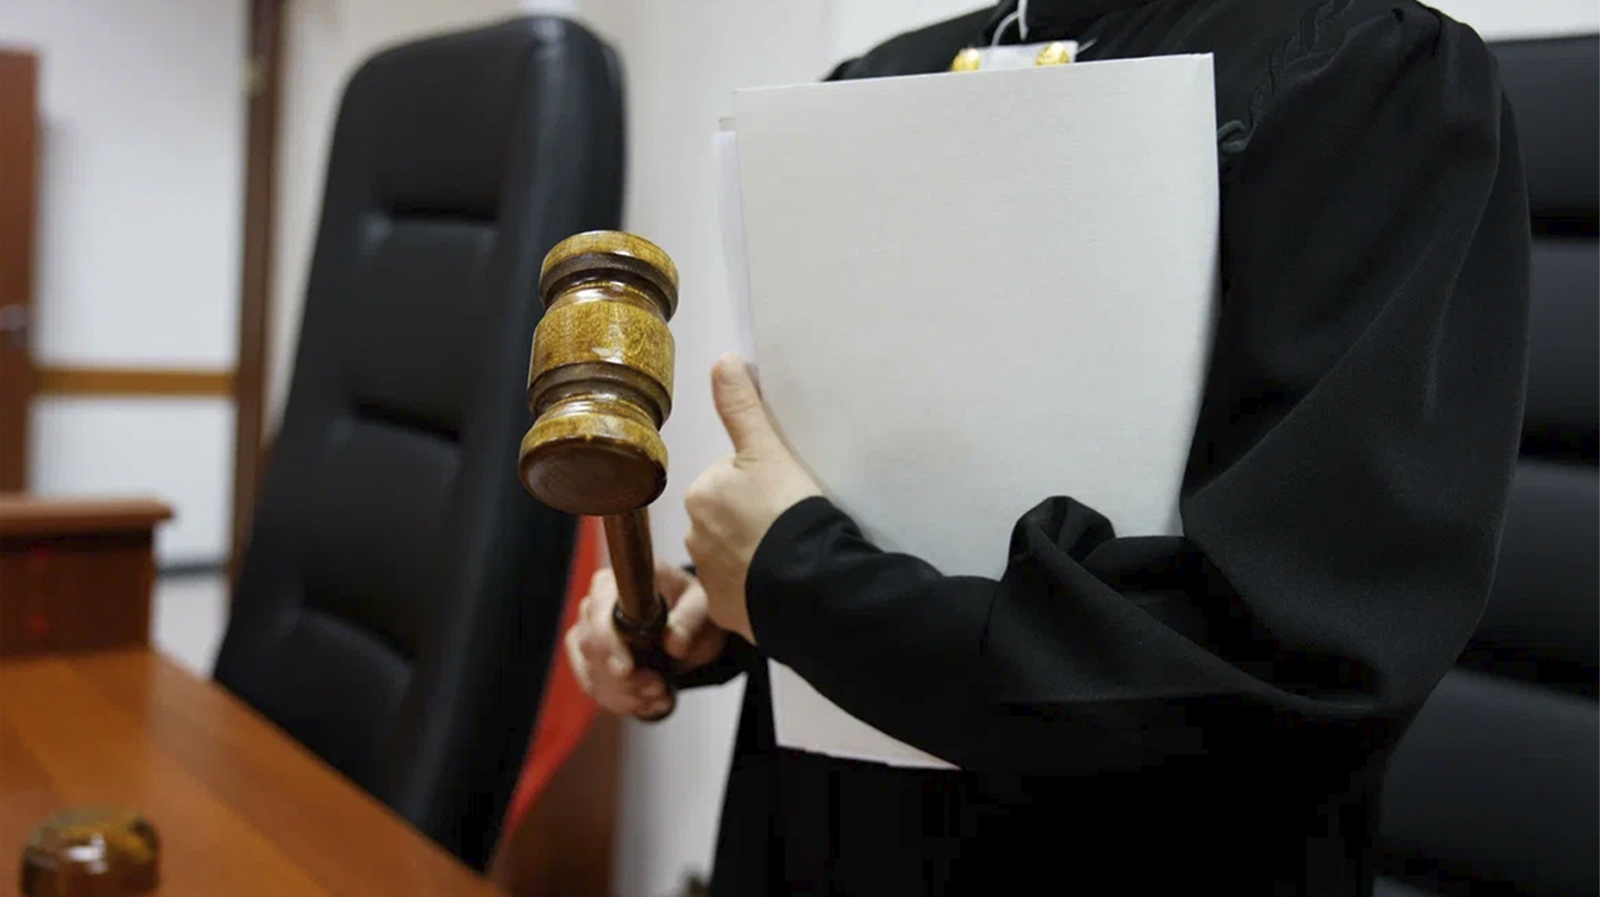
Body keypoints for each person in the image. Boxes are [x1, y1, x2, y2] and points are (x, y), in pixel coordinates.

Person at [563, 0, 1530, 893]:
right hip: (824, 828)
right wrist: (713, 600)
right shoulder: (876, 80)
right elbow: (852, 490)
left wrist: (799, 582)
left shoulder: (1360, 76)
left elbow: (1305, 654)